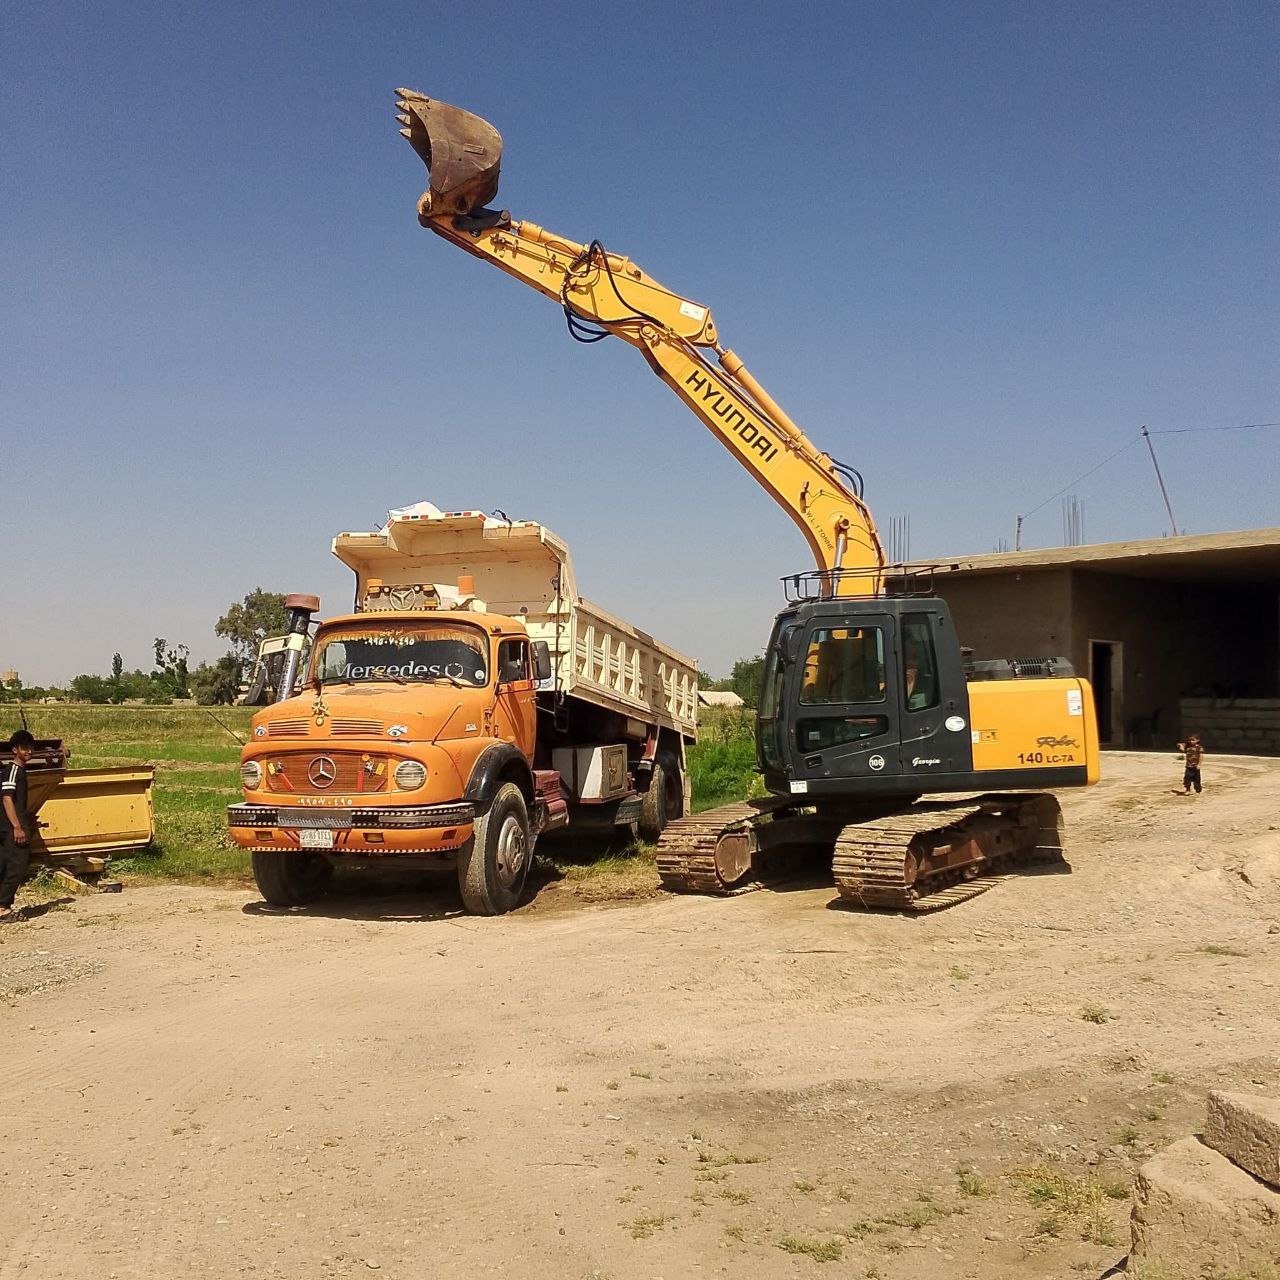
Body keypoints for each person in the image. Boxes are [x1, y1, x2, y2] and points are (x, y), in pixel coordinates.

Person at [1, 729, 37, 920]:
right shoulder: (13, 770)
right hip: (11, 827)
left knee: (5, 864)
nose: (29, 751)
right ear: (15, 750)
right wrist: (17, 827)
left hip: (11, 826)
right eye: (24, 748)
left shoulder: (19, 771)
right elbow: (7, 798)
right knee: (17, 865)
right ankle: (3, 907)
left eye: (31, 748)